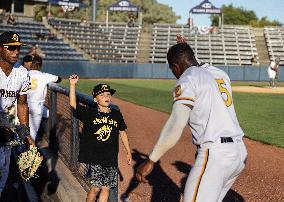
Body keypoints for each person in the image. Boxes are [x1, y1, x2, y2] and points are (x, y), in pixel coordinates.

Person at [136, 35, 248, 202]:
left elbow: (176, 125)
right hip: (239, 153)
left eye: (172, 68)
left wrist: (151, 159)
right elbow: (196, 65)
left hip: (215, 154)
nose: (173, 72)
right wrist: (185, 49)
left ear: (175, 65)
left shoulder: (187, 80)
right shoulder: (219, 73)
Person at [69, 75, 132, 202]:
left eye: (108, 94)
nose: (106, 97)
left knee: (106, 189)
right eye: (102, 95)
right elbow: (73, 104)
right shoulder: (90, 113)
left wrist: (128, 151)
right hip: (95, 156)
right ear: (95, 99)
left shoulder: (116, 114)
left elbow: (122, 132)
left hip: (110, 157)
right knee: (96, 188)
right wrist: (72, 85)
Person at [0, 31, 35, 196]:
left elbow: (22, 104)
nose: (16, 52)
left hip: (6, 120)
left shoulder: (22, 73)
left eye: (18, 48)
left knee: (4, 166)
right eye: (11, 48)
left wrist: (25, 131)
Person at [26, 55, 62, 141]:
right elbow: (58, 79)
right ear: (41, 65)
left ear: (31, 64)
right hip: (37, 107)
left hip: (22, 105)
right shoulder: (44, 76)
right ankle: (30, 148)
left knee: (20, 130)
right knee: (32, 135)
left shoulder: (24, 74)